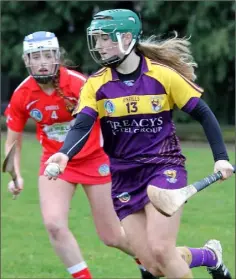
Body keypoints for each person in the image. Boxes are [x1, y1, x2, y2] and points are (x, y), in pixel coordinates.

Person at [44, 9, 234, 279]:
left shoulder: (162, 76)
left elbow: (203, 113)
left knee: (161, 249)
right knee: (154, 266)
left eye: (103, 38)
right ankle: (209, 256)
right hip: (124, 177)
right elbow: (83, 124)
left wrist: (220, 157)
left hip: (163, 167)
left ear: (125, 38)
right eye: (95, 39)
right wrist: (64, 154)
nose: (97, 46)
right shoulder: (97, 85)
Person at [4, 30, 153, 279]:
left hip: (96, 159)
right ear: (26, 61)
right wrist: (16, 175)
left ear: (57, 57)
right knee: (53, 224)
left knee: (112, 236)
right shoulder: (22, 94)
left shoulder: (78, 84)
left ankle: (148, 262)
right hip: (55, 164)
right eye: (35, 57)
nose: (41, 63)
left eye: (47, 55)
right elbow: (12, 141)